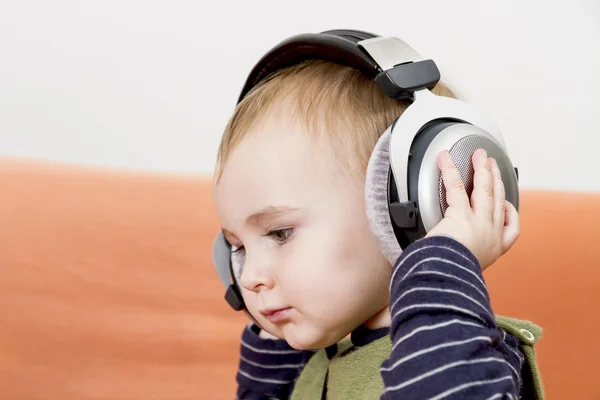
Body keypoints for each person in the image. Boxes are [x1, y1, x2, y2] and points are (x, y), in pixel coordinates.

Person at [212, 49, 544, 399]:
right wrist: (275, 357)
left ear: (400, 211)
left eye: (280, 233)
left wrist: (438, 265)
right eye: (238, 248)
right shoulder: (320, 365)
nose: (248, 277)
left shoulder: (462, 356)